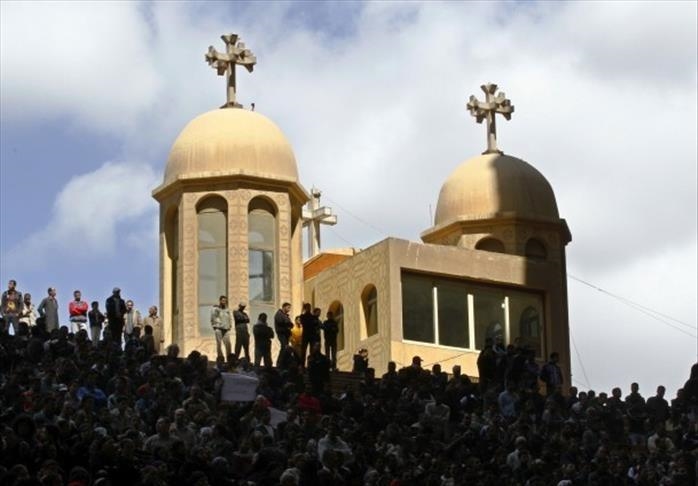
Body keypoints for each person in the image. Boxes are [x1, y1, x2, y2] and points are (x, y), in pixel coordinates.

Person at [210, 295, 233, 362]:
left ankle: (229, 360)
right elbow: (212, 318)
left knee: (228, 344)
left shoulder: (227, 309)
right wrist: (215, 326)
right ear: (220, 301)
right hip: (218, 328)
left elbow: (229, 318)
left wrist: (230, 325)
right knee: (219, 344)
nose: (224, 302)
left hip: (226, 329)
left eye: (225, 301)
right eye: (223, 301)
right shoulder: (215, 309)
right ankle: (220, 359)